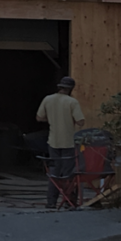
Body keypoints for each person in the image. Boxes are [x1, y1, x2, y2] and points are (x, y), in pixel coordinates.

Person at [36, 76, 85, 208]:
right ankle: (69, 202)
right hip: (68, 143)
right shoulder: (72, 102)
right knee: (68, 174)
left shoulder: (48, 99)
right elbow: (80, 121)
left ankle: (51, 202)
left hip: (53, 142)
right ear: (71, 89)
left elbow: (39, 117)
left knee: (54, 173)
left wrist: (53, 118)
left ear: (60, 87)